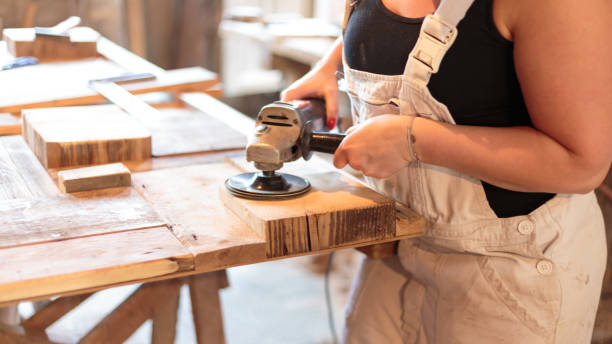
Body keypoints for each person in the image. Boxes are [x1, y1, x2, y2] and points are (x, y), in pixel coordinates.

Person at [281, 0, 612, 342]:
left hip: (511, 269)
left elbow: (581, 165)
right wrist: (332, 63)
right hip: (401, 246)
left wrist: (411, 140)